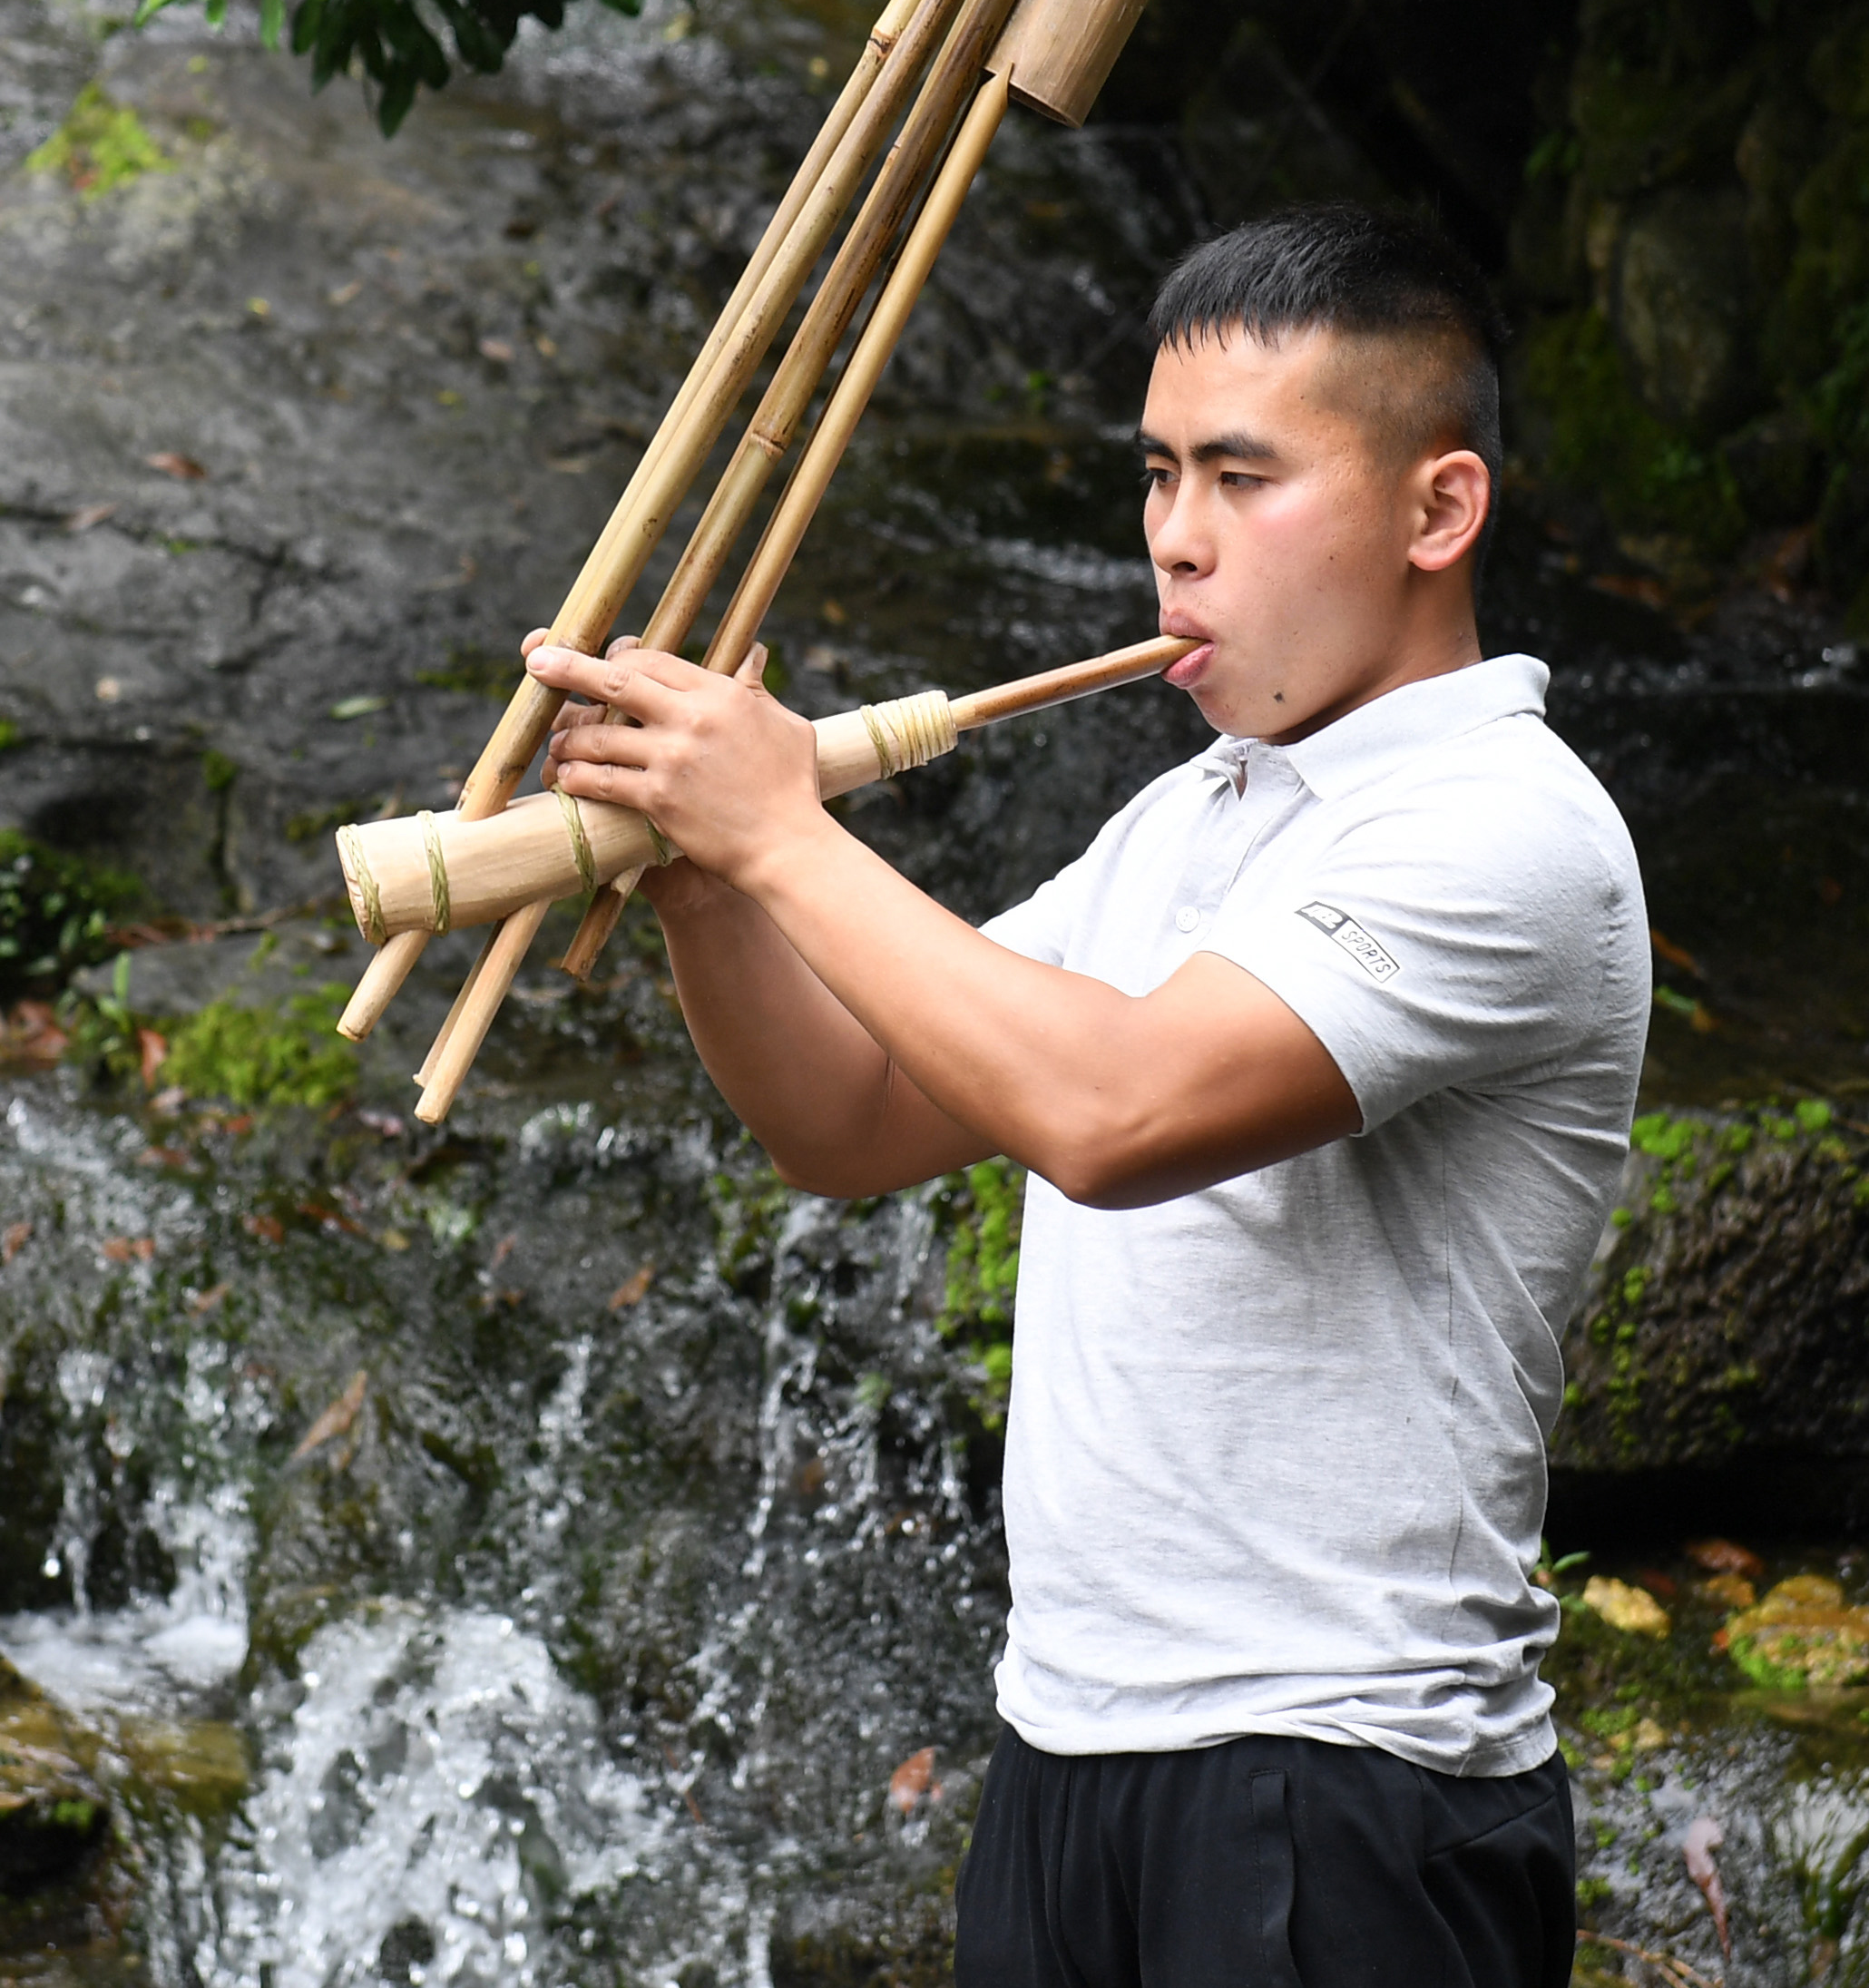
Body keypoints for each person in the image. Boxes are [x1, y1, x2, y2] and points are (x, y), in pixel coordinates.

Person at [522, 201, 1649, 1988]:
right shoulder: (1184, 822)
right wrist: (705, 887)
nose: (1175, 545)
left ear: (1440, 509)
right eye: (1154, 479)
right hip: (1070, 1750)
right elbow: (853, 1124)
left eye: (1240, 480)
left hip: (1342, 1780)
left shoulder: (1504, 830)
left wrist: (780, 828)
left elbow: (1107, 1117)